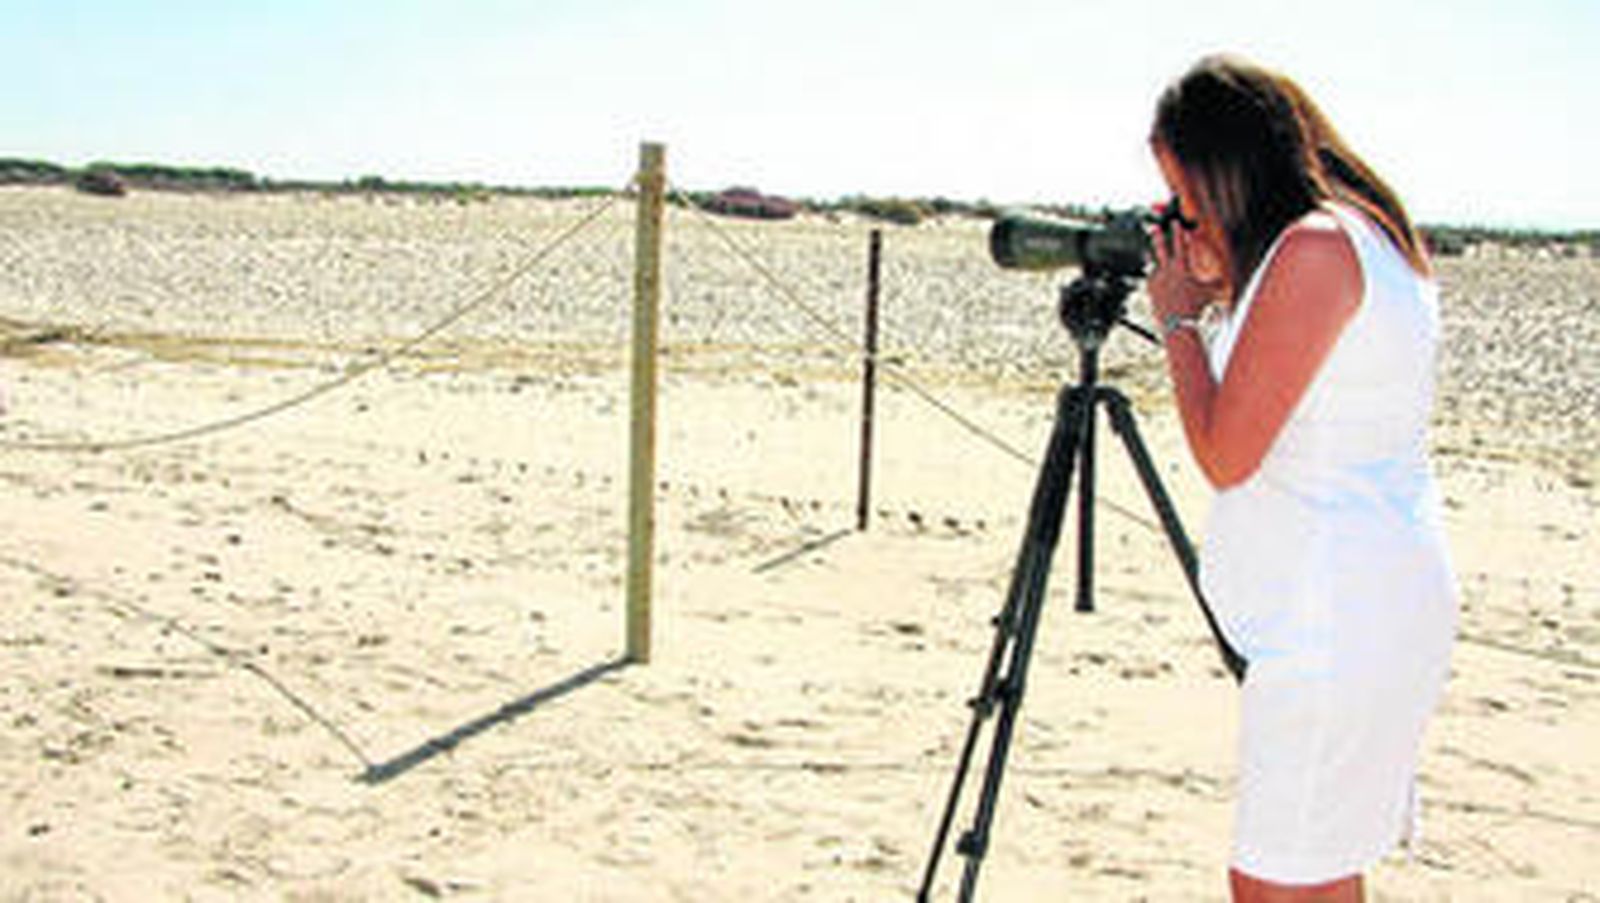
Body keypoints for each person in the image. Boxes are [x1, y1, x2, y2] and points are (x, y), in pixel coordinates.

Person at [1144, 55, 1458, 902]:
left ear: (1225, 169)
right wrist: (1222, 290)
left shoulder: (1316, 248)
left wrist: (1176, 316)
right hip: (1365, 597)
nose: (1182, 214)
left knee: (1273, 877)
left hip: (1334, 613)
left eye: (1186, 192)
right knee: (1319, 871)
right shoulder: (1366, 236)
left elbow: (1226, 452)